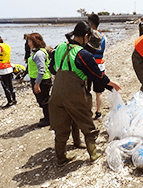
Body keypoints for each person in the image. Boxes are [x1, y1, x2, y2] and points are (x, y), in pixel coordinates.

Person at [49, 21, 121, 166]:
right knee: (86, 122)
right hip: (75, 94)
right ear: (86, 36)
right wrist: (112, 84)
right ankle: (93, 153)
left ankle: (61, 158)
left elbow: (51, 68)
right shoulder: (83, 54)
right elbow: (98, 76)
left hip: (56, 92)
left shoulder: (59, 48)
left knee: (61, 126)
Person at [87, 14, 113, 120]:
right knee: (98, 92)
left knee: (87, 90)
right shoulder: (103, 36)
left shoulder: (89, 36)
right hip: (100, 64)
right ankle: (98, 112)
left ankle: (87, 112)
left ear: (90, 24)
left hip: (90, 65)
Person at [27, 33, 52, 127]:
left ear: (35, 42)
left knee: (44, 100)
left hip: (42, 81)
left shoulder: (39, 54)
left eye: (29, 41)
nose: (28, 43)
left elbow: (41, 70)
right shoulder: (37, 52)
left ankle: (48, 119)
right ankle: (48, 116)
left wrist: (37, 84)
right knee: (43, 100)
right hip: (41, 79)